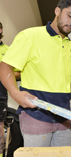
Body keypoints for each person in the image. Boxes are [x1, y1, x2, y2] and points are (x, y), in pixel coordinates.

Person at [0, 0, 71, 147]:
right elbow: (5, 67)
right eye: (70, 15)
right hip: (36, 115)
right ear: (57, 11)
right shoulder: (30, 36)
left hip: (64, 117)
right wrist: (15, 93)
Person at [0, 22, 20, 156]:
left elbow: (19, 72)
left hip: (0, 96)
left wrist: (3, 73)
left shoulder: (8, 50)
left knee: (0, 132)